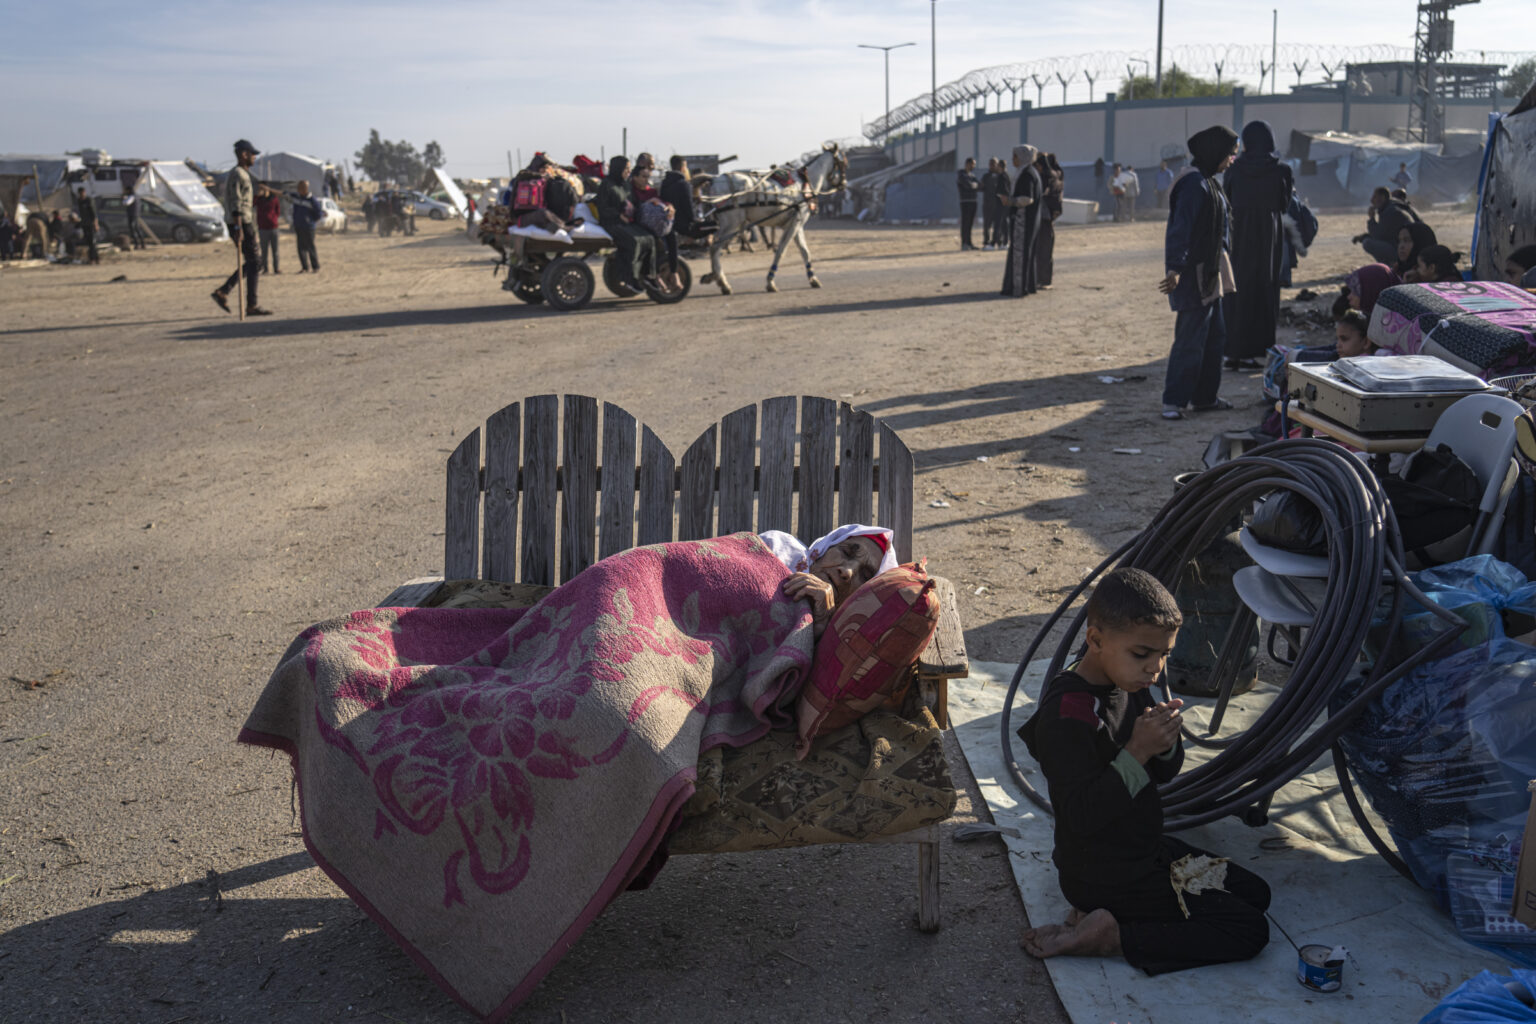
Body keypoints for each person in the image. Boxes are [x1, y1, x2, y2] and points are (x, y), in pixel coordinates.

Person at [1018, 567, 1271, 974]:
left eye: (1164, 654)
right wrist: (1137, 751)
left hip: (1143, 850)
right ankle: (1113, 935)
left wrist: (1166, 742)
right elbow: (1081, 816)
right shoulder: (1069, 713)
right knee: (1248, 929)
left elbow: (1164, 775)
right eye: (1143, 654)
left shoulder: (1130, 682)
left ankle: (1107, 916)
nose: (1155, 668)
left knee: (1256, 894)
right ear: (1096, 640)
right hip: (1102, 870)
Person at [1158, 125, 1240, 421]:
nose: (1231, 160)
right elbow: (1181, 230)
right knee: (1190, 339)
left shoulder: (1208, 180)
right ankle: (1173, 401)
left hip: (1211, 271)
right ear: (1214, 153)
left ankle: (1205, 398)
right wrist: (1175, 268)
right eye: (1229, 154)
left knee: (1214, 336)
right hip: (1194, 273)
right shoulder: (1194, 184)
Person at [1222, 120, 1294, 371]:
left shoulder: (1234, 169)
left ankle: (1232, 352)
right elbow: (1284, 204)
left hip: (1238, 235)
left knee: (1236, 290)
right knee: (1262, 290)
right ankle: (1252, 353)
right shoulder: (1281, 171)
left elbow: (1226, 199)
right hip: (1267, 237)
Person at [760, 524, 899, 638]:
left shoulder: (837, 638)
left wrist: (818, 629)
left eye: (865, 575)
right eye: (846, 553)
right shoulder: (777, 546)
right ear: (824, 549)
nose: (847, 571)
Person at [211, 138, 270, 316]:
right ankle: (238, 298)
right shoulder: (238, 174)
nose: (254, 158)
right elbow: (237, 203)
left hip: (244, 222)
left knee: (254, 263)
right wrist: (238, 229)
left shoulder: (243, 174)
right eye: (252, 154)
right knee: (255, 262)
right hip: (240, 223)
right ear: (244, 154)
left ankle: (228, 293)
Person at [595, 155, 657, 292]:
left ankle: (648, 275)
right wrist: (618, 215)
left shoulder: (626, 185)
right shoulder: (606, 185)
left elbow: (634, 201)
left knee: (649, 239)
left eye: (629, 169)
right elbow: (603, 209)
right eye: (626, 169)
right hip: (612, 223)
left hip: (627, 222)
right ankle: (630, 278)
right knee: (633, 242)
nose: (628, 172)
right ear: (618, 169)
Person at [1000, 144, 1042, 298]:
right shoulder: (1028, 172)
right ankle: (1027, 285)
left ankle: (1018, 288)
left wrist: (1009, 201)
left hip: (1023, 222)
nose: (1013, 159)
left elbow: (1027, 199)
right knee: (1025, 253)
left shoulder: (1027, 175)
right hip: (1026, 221)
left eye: (1015, 156)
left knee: (1020, 254)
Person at [1352, 187, 1416, 264]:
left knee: (1367, 243)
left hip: (1406, 250)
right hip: (1405, 246)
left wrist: (1371, 218)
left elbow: (1378, 236)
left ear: (1382, 198)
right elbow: (1384, 233)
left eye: (1374, 197)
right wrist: (1362, 236)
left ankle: (1388, 265)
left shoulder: (1390, 211)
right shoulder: (1391, 207)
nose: (1371, 200)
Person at [1035, 151, 1064, 290]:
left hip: (1044, 218)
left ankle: (1044, 280)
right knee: (1042, 250)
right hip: (1045, 218)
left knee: (1044, 250)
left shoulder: (1049, 178)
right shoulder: (1053, 176)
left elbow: (1049, 197)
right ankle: (1041, 279)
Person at [288, 179, 323, 274]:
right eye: (298, 187)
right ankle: (305, 267)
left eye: (300, 187)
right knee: (301, 248)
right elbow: (282, 193)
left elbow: (319, 214)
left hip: (309, 228)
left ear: (305, 188)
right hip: (299, 226)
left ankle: (315, 266)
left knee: (310, 247)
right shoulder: (296, 198)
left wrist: (310, 221)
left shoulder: (312, 200)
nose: (298, 189)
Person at [255, 183, 282, 274]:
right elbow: (252, 204)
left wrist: (273, 219)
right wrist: (257, 195)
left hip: (273, 227)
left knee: (275, 250)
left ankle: (276, 268)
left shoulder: (274, 199)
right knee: (264, 250)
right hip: (263, 228)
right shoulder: (259, 200)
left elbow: (278, 211)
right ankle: (265, 268)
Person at [957, 157, 980, 251]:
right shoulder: (961, 175)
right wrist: (974, 185)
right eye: (972, 164)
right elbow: (968, 185)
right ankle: (964, 244)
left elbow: (980, 185)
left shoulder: (972, 175)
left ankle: (969, 243)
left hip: (973, 201)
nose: (973, 166)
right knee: (965, 223)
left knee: (970, 224)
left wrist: (974, 185)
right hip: (965, 202)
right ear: (967, 164)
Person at [992, 157, 1013, 250]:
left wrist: (1001, 197)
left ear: (999, 166)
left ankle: (996, 242)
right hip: (1005, 203)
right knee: (1004, 223)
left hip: (1002, 203)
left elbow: (1004, 190)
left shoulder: (1002, 176)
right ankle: (1004, 242)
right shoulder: (1007, 175)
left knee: (999, 223)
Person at [75, 187, 100, 264]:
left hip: (91, 224)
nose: (82, 194)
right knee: (89, 242)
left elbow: (94, 213)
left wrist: (96, 224)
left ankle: (94, 259)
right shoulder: (79, 201)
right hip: (84, 224)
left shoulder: (88, 200)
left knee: (93, 242)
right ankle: (94, 258)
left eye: (82, 193)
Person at [123, 184, 148, 251]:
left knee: (133, 230)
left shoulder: (131, 197)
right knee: (137, 229)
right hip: (136, 215)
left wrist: (124, 198)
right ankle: (142, 244)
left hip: (132, 215)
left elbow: (126, 203)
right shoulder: (136, 196)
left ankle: (137, 244)